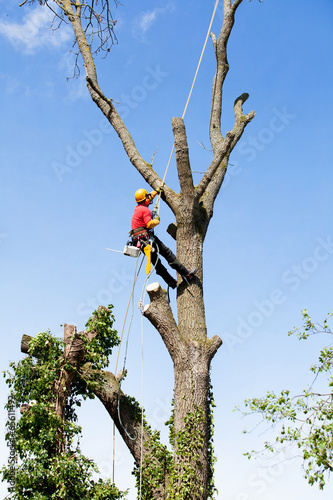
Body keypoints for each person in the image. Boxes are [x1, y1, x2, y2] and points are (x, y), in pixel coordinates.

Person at [130, 188, 197, 289]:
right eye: (148, 197)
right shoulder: (145, 210)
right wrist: (157, 220)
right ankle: (186, 273)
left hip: (140, 242)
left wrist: (156, 192)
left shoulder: (138, 208)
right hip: (147, 239)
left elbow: (149, 197)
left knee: (157, 263)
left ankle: (171, 282)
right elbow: (149, 224)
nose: (150, 199)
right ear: (145, 199)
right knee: (167, 253)